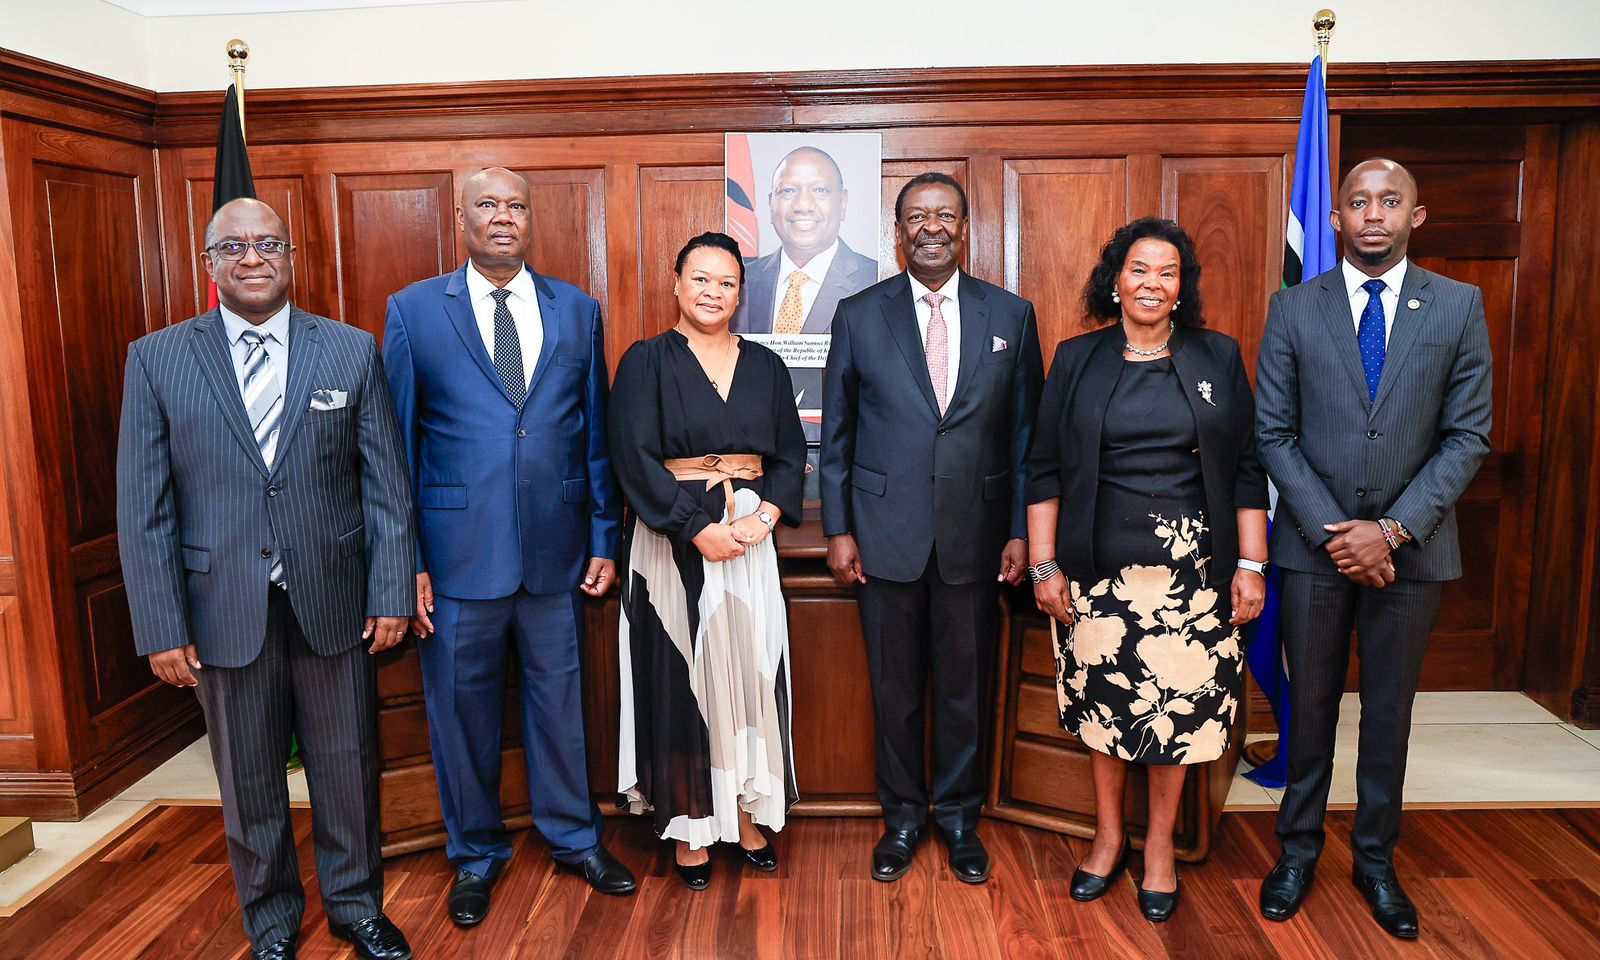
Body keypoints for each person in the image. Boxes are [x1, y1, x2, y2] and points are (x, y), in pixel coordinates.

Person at [117, 198, 415, 960]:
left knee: (347, 765)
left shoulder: (349, 351)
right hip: (220, 607)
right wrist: (160, 626)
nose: (253, 257)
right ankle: (273, 922)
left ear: (291, 256)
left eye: (269, 244)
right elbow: (143, 505)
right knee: (248, 779)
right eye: (235, 246)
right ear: (208, 262)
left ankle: (356, 907)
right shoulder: (157, 358)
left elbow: (385, 488)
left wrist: (389, 593)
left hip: (334, 602)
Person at [382, 167, 635, 928]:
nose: (502, 217)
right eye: (487, 205)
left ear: (532, 219)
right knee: (460, 716)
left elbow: (595, 434)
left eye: (515, 206)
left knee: (561, 708)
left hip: (558, 557)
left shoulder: (578, 310)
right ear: (461, 218)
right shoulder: (415, 311)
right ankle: (477, 855)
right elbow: (393, 447)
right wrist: (409, 562)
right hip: (456, 560)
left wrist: (601, 535)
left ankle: (574, 839)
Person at [1255, 158, 1492, 941]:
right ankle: (1297, 853)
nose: (1373, 215)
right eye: (1357, 202)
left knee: (1389, 714)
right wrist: (1338, 533)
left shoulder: (1459, 307)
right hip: (1312, 550)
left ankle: (1376, 862)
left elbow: (1468, 437)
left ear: (1416, 216)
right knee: (1310, 708)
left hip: (1413, 555)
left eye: (1390, 202)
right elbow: (1273, 435)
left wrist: (1389, 531)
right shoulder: (1294, 308)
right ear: (1335, 220)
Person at [1025, 217, 1269, 923]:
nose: (1151, 283)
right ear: (1115, 279)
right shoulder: (1076, 359)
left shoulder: (1218, 357)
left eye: (1167, 272)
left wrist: (1251, 564)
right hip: (1098, 579)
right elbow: (1042, 469)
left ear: (1181, 285)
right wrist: (1044, 565)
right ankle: (1107, 838)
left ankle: (1158, 846)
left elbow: (1246, 468)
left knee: (1178, 722)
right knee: (1107, 713)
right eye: (1138, 269)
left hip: (1197, 580)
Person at [821, 172, 1043, 885]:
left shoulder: (1011, 315)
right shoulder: (859, 314)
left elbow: (1025, 439)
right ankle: (903, 819)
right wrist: (838, 530)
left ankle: (957, 818)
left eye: (945, 215)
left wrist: (1019, 531)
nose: (932, 228)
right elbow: (839, 437)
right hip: (882, 538)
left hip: (977, 541)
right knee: (896, 691)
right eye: (917, 217)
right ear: (898, 230)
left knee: (962, 688)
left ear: (966, 226)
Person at [609, 232, 808, 889]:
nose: (712, 292)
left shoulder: (767, 367)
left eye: (725, 283)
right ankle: (692, 821)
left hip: (750, 545)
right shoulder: (645, 363)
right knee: (682, 678)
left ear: (740, 294)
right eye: (700, 279)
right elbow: (632, 459)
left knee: (749, 674)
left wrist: (764, 518)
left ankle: (747, 814)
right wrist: (696, 528)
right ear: (676, 283)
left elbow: (789, 457)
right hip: (673, 545)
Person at [730, 145, 878, 335]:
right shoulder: (742, 281)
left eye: (820, 190)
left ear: (842, 203)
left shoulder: (874, 280)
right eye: (788, 191)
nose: (803, 205)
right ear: (770, 204)